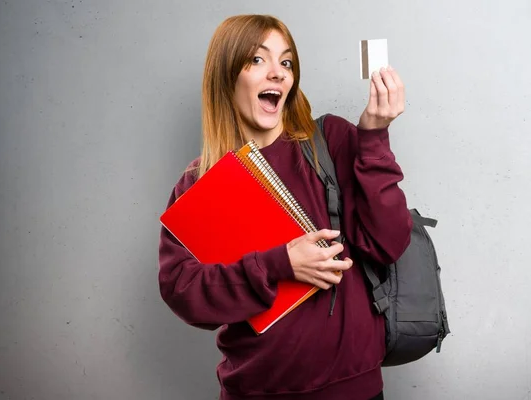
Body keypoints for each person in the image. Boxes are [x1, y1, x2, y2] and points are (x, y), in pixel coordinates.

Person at [158, 14, 413, 400]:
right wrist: (279, 265)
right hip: (257, 391)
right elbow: (185, 294)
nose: (277, 73)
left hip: (354, 388)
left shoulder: (331, 142)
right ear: (227, 76)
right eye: (258, 60)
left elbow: (389, 243)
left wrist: (374, 136)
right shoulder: (198, 184)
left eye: (286, 62)